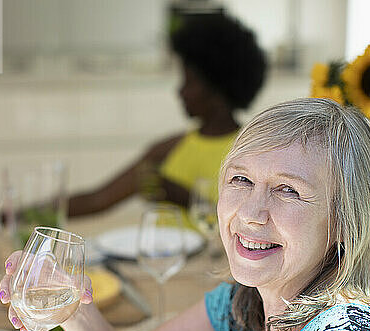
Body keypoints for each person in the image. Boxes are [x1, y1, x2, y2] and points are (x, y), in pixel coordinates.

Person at [0, 98, 370, 331]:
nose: (251, 213)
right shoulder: (243, 305)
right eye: (240, 180)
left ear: (344, 222)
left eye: (288, 190)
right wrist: (72, 304)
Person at [67, 13, 266, 215]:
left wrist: (185, 198)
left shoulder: (252, 153)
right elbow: (97, 199)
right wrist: (40, 210)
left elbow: (251, 222)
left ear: (217, 88)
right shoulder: (168, 150)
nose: (179, 91)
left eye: (189, 82)